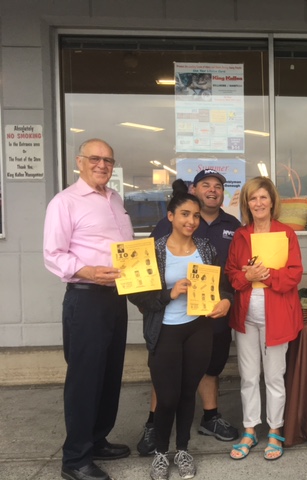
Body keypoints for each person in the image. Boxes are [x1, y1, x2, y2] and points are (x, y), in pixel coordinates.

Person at [128, 181, 233, 480]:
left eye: (196, 216)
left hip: (198, 329)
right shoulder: (153, 250)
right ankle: (161, 453)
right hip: (165, 331)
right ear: (171, 217)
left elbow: (222, 286)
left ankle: (183, 449)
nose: (191, 221)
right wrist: (168, 294)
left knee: (188, 392)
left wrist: (226, 301)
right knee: (168, 395)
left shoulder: (206, 248)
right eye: (185, 214)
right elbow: (136, 295)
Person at [43, 139, 133, 480]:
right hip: (86, 297)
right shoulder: (65, 202)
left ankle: (97, 440)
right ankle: (75, 459)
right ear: (79, 162)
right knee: (84, 378)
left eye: (108, 160)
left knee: (110, 373)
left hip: (115, 297)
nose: (102, 165)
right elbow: (54, 253)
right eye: (95, 158)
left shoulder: (115, 199)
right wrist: (89, 271)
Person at [224, 176, 304, 461]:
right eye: (252, 198)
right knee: (247, 377)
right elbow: (231, 273)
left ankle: (274, 430)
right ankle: (249, 429)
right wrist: (246, 276)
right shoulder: (240, 235)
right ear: (247, 204)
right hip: (246, 316)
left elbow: (295, 273)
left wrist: (267, 275)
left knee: (273, 376)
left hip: (278, 316)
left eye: (262, 197)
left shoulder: (286, 234)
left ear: (272, 202)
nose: (258, 203)